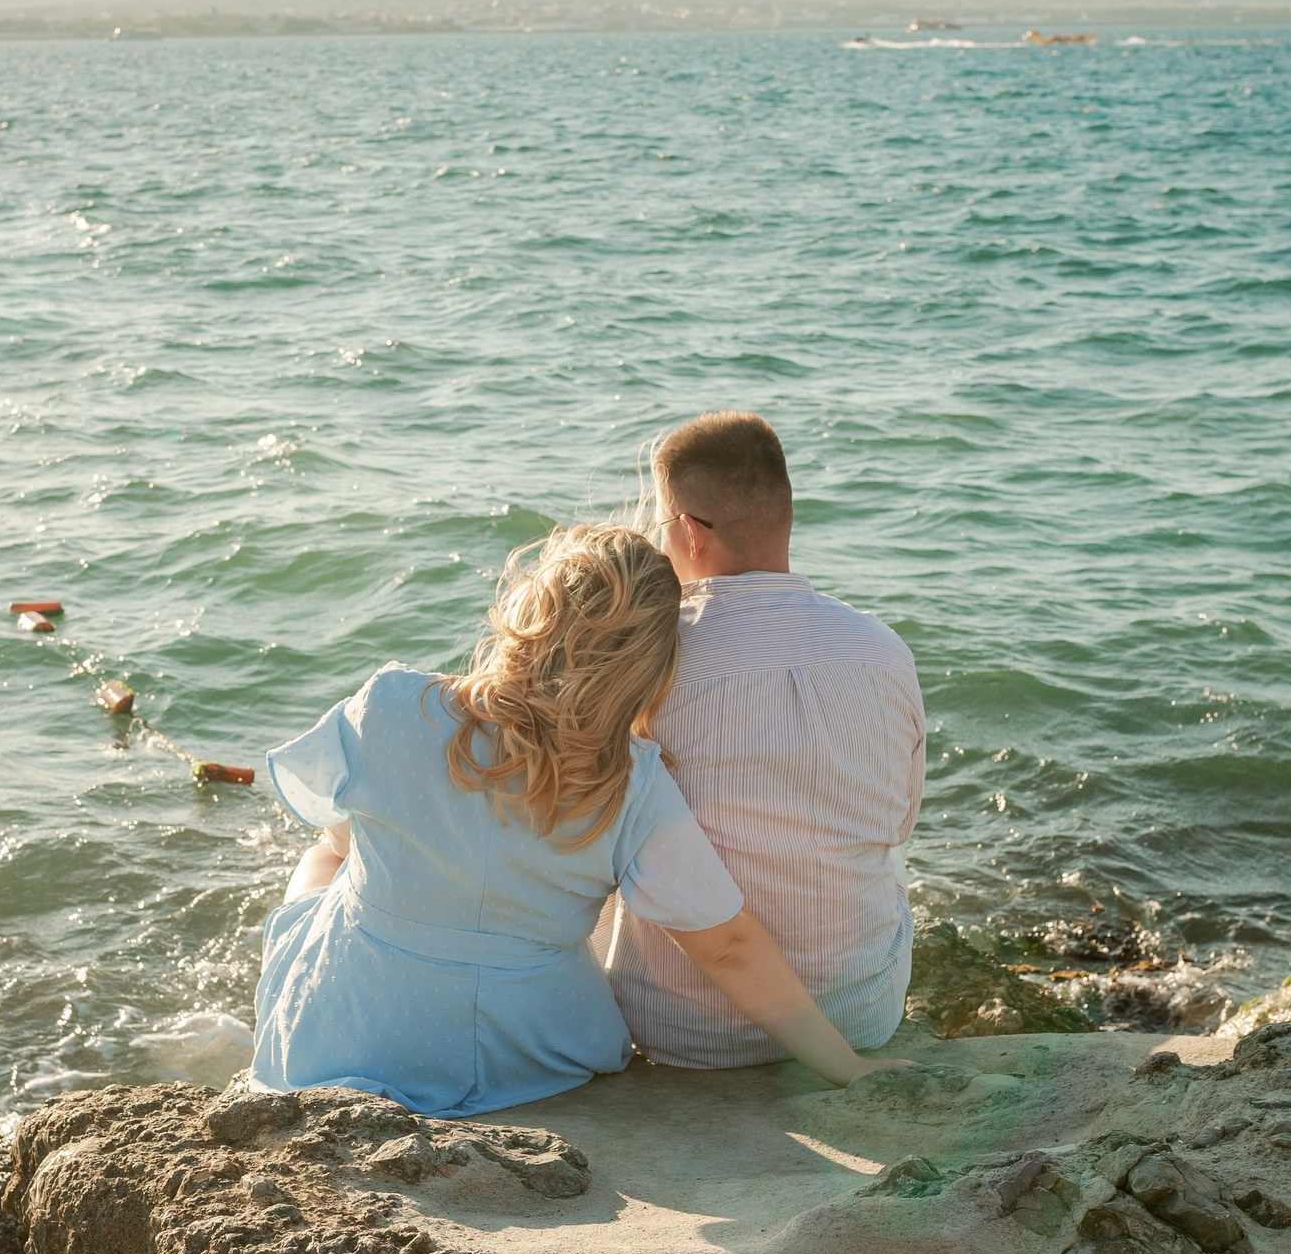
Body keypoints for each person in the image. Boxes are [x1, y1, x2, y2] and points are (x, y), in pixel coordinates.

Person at [253, 524, 907, 1118]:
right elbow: (728, 945)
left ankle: (293, 962)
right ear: (649, 671)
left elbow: (329, 818)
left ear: (530, 608)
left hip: (353, 1028)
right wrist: (846, 1065)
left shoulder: (393, 704)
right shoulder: (633, 783)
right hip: (531, 1049)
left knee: (327, 855)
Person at [596, 411, 927, 1069]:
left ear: (688, 530)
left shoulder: (649, 657)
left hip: (680, 1032)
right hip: (860, 1012)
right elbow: (900, 821)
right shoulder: (883, 653)